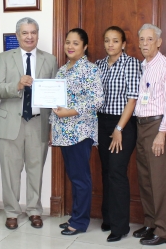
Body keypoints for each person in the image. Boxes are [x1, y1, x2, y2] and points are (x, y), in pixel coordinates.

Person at [0, 17, 57, 230]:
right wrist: (17, 85)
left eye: (33, 32)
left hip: (38, 123)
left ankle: (34, 210)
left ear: (37, 34)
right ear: (17, 35)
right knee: (10, 172)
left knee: (36, 170)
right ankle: (11, 212)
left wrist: (52, 127)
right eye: (25, 33)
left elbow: (54, 96)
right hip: (11, 123)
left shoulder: (50, 59)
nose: (30, 37)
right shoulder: (4, 58)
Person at [51, 28, 104, 236]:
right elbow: (55, 103)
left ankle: (80, 222)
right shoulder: (62, 70)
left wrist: (71, 112)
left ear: (85, 47)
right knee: (74, 177)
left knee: (81, 178)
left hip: (80, 132)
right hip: (63, 132)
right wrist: (51, 127)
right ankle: (75, 216)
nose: (70, 46)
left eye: (75, 43)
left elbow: (97, 100)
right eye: (67, 42)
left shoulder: (90, 70)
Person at [132, 23, 166, 246]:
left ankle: (165, 229)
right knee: (145, 178)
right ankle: (151, 223)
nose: (144, 44)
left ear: (159, 42)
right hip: (142, 126)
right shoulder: (144, 66)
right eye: (141, 39)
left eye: (149, 39)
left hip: (158, 127)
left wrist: (162, 133)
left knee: (159, 181)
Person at [94, 26, 141, 242]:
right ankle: (109, 217)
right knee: (106, 170)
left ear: (123, 44)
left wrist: (119, 129)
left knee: (117, 171)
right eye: (107, 40)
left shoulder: (131, 64)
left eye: (115, 41)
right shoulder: (99, 65)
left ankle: (120, 226)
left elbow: (132, 100)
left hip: (123, 123)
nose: (110, 44)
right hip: (102, 122)